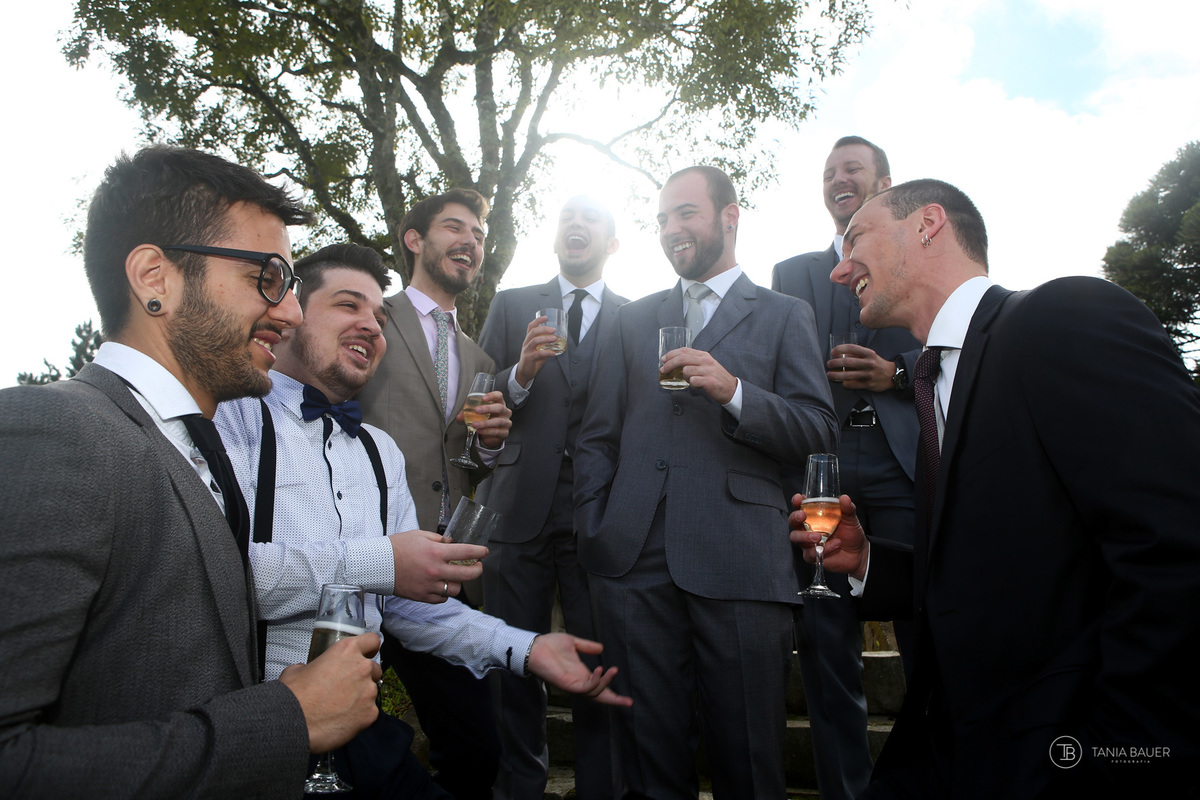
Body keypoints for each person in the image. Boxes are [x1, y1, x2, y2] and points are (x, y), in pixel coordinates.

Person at [794, 178, 1200, 797]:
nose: (839, 269)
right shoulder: (930, 387)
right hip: (949, 750)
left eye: (857, 239)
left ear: (928, 223)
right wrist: (869, 560)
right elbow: (990, 572)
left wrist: (1120, 754)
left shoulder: (1062, 318)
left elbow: (1175, 549)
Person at [0, 145, 382, 798]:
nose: (289, 314)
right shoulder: (54, 430)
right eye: (268, 278)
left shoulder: (199, 452)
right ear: (154, 277)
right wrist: (287, 717)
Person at [215, 243, 630, 797]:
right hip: (257, 729)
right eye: (347, 305)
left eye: (378, 317)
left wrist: (528, 648)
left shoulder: (380, 453)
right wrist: (386, 561)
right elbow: (216, 580)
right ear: (290, 313)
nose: (370, 326)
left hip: (360, 733)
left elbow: (409, 611)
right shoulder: (227, 419)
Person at [573, 165, 839, 798]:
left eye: (685, 213)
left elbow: (820, 431)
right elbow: (595, 435)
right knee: (649, 765)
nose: (671, 230)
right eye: (662, 219)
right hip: (632, 563)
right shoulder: (630, 320)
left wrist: (736, 392)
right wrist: (596, 527)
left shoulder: (783, 314)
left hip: (742, 562)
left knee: (749, 762)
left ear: (729, 215)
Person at [771, 136, 920, 800]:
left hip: (901, 466)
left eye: (852, 169)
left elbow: (950, 348)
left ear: (883, 183)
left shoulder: (917, 262)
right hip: (821, 472)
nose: (838, 178)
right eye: (829, 172)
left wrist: (897, 374)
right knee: (827, 646)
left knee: (930, 627)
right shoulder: (791, 273)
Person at [356, 188, 511, 799]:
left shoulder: (479, 357)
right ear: (414, 240)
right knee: (334, 741)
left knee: (476, 747)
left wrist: (490, 445)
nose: (470, 241)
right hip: (362, 564)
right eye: (455, 227)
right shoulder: (369, 316)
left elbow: (465, 465)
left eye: (477, 233)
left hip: (444, 573)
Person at [476, 195, 628, 799]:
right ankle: (519, 787)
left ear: (612, 243)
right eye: (568, 216)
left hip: (599, 511)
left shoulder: (635, 316)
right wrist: (521, 375)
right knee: (513, 658)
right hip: (517, 508)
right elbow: (480, 400)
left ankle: (601, 788)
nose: (577, 224)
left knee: (597, 658)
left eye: (592, 217)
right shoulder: (513, 305)